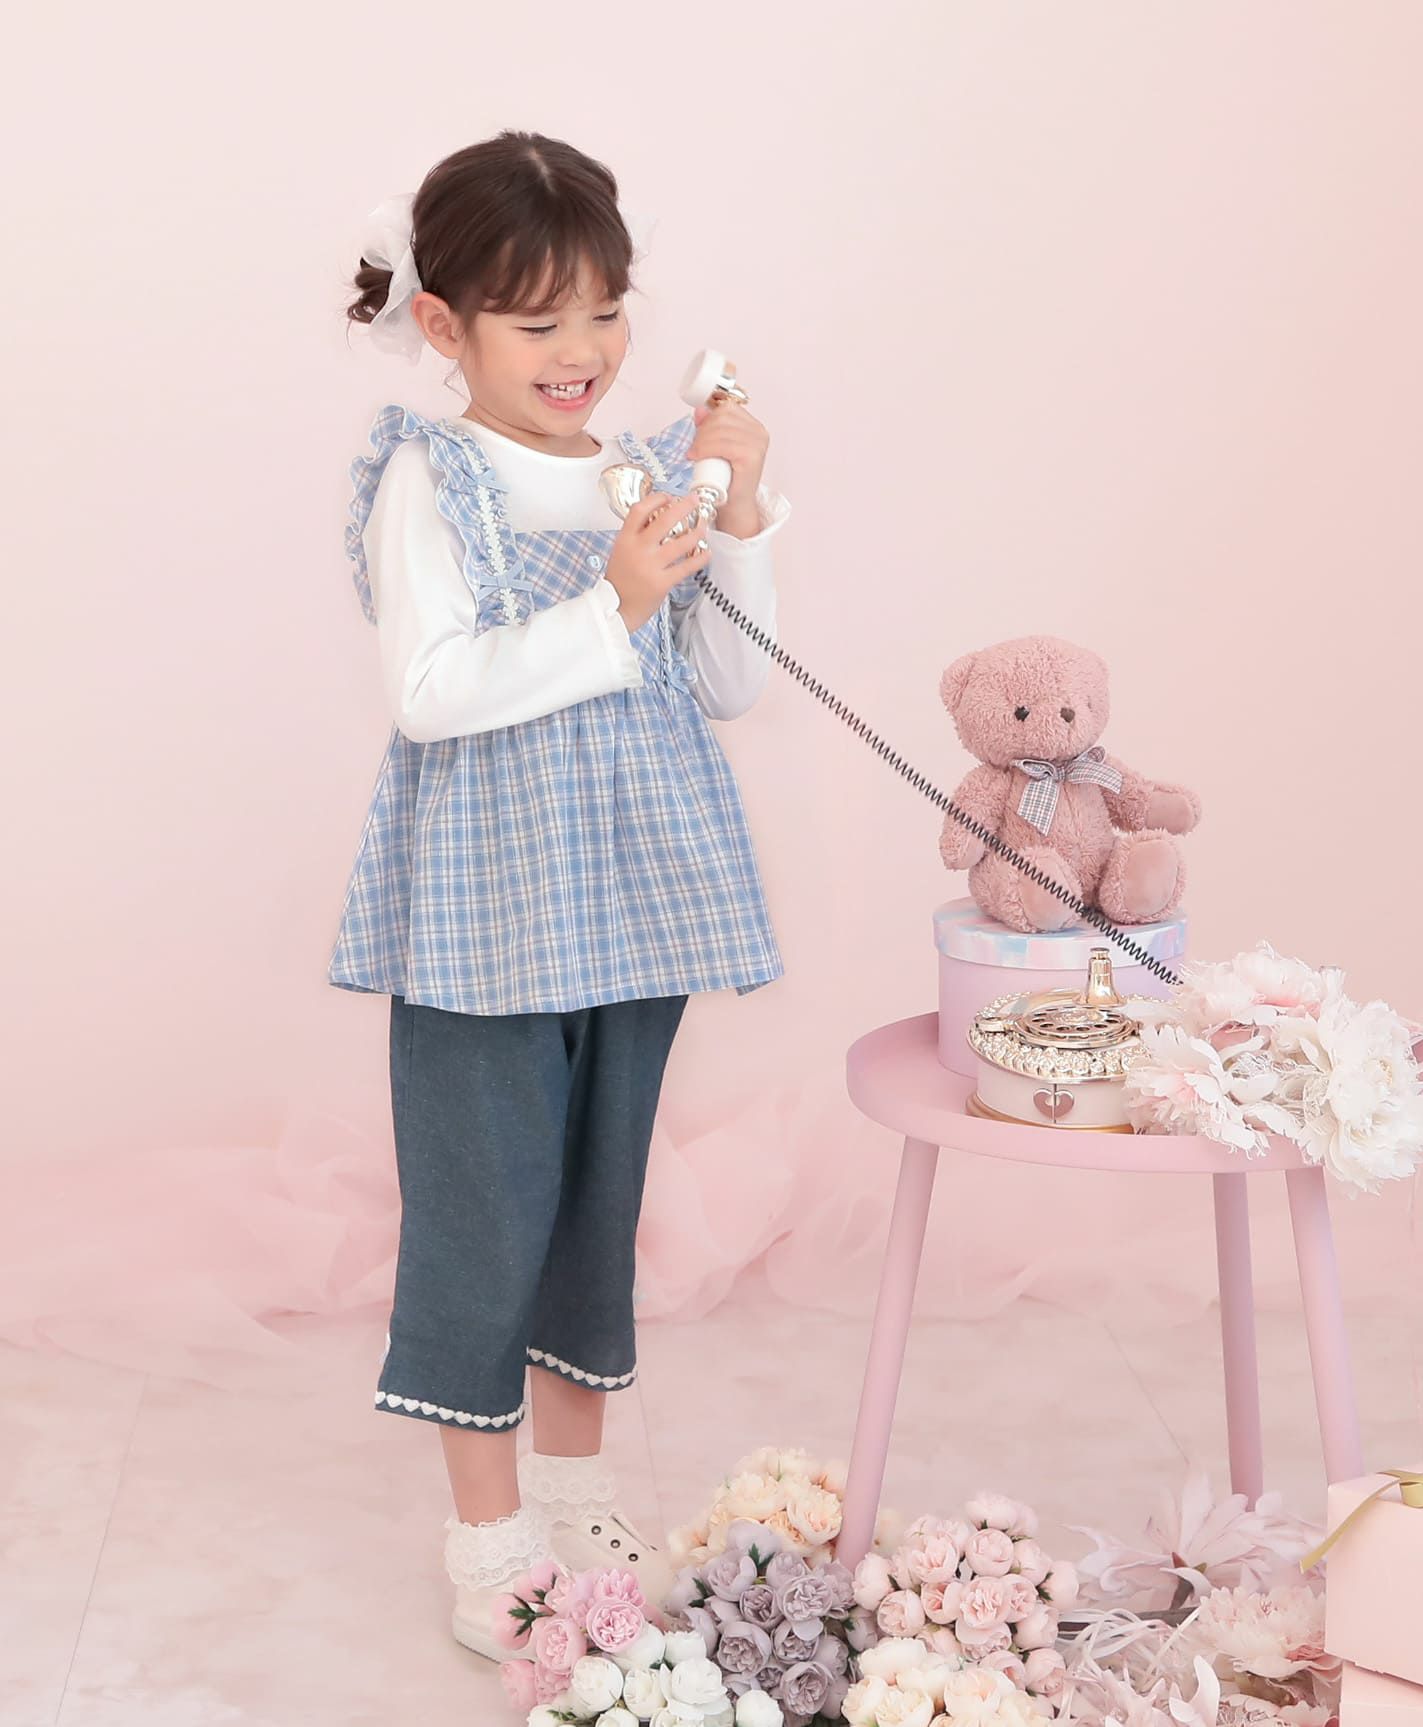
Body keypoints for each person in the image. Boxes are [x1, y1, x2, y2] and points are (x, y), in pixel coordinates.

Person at [329, 131, 789, 1659]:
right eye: (539, 322)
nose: (582, 349)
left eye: (605, 309)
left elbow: (726, 679)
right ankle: (488, 1534)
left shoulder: (635, 469)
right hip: (486, 920)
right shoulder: (434, 476)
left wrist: (738, 514)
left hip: (637, 903)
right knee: (483, 1219)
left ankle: (579, 1496)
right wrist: (613, 599)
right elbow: (430, 692)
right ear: (447, 326)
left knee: (598, 1203)